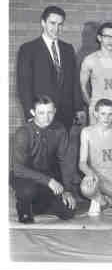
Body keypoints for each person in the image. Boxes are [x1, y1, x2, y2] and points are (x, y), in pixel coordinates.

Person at [17, 5, 85, 130]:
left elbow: (74, 81)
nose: (56, 28)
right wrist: (29, 113)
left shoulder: (68, 49)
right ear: (43, 23)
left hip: (65, 114)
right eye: (52, 23)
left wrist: (78, 107)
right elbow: (23, 85)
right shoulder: (28, 49)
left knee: (62, 149)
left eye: (60, 24)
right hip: (41, 114)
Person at [12, 95, 77, 223]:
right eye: (41, 113)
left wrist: (67, 190)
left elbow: (65, 162)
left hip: (47, 176)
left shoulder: (60, 129)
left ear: (55, 111)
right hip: (25, 177)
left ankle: (39, 205)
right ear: (33, 112)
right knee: (27, 190)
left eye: (50, 112)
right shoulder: (23, 132)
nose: (46, 117)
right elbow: (18, 169)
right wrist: (49, 181)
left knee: (68, 212)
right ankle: (24, 206)